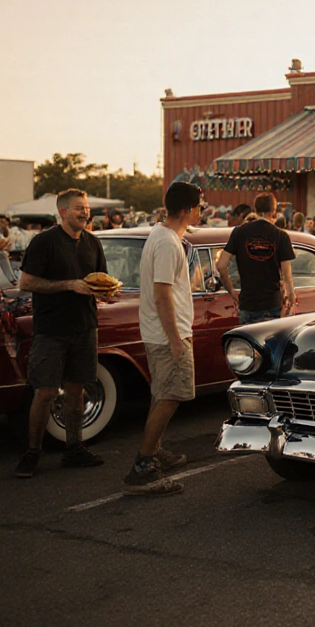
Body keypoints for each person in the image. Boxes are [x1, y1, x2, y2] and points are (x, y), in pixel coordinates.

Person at [14, 189, 110, 478]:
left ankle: (74, 449)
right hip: (51, 330)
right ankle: (32, 452)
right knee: (44, 392)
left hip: (85, 327)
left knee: (76, 391)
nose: (85, 212)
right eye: (79, 208)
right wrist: (69, 285)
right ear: (63, 212)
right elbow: (26, 282)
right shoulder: (44, 242)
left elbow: (100, 282)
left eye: (87, 208)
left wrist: (106, 293)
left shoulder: (93, 243)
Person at [124, 182, 202, 497]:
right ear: (186, 210)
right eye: (199, 206)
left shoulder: (161, 235)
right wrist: (175, 339)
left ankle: (154, 450)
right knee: (172, 396)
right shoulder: (168, 243)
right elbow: (162, 293)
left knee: (162, 394)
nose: (201, 211)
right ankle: (144, 464)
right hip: (169, 334)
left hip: (160, 332)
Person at [217, 193, 297, 325]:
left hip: (248, 304)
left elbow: (221, 265)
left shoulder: (239, 232)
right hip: (272, 304)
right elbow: (287, 277)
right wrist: (291, 300)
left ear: (255, 210)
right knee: (271, 345)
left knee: (248, 345)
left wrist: (231, 291)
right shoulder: (281, 236)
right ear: (273, 211)